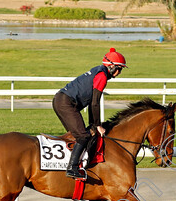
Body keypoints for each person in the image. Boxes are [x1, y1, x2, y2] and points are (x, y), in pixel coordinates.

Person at [53, 47, 127, 179]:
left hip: (62, 100)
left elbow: (93, 103)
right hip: (66, 103)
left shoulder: (99, 71)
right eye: (119, 68)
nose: (119, 72)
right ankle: (72, 168)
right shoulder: (102, 76)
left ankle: (72, 163)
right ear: (111, 66)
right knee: (83, 136)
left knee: (79, 134)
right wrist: (97, 125)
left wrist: (93, 124)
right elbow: (94, 103)